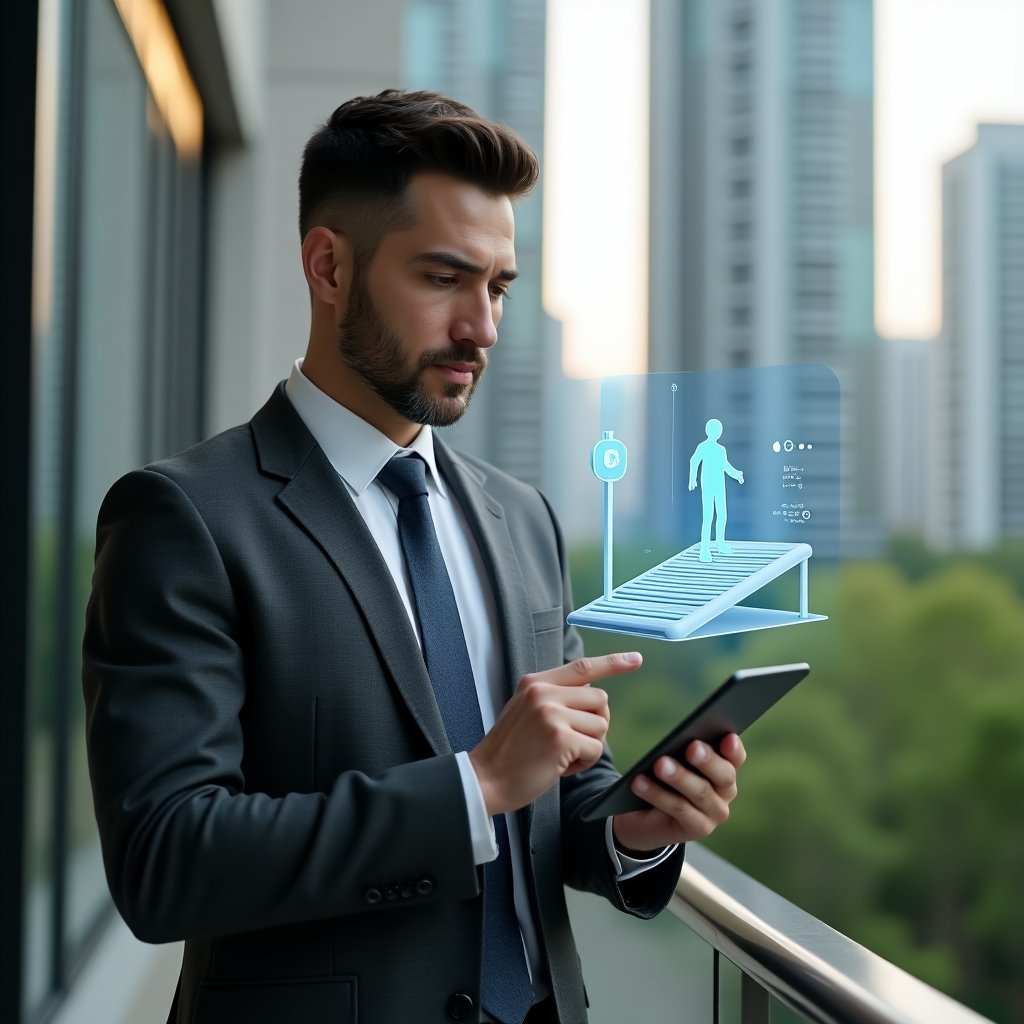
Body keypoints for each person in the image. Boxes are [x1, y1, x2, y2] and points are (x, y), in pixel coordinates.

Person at [82, 89, 747, 1024]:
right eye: (444, 279)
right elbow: (165, 858)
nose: (483, 328)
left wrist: (632, 828)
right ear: (328, 267)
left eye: (499, 286)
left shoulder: (524, 519)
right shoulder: (184, 518)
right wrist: (471, 787)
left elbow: (546, 783)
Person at [688, 418, 744, 562]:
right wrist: (692, 479)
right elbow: (694, 461)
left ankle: (720, 543)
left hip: (719, 485)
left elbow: (725, 466)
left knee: (722, 515)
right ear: (709, 431)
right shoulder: (703, 447)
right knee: (708, 517)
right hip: (708, 485)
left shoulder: (721, 450)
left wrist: (737, 474)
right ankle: (704, 550)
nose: (717, 432)